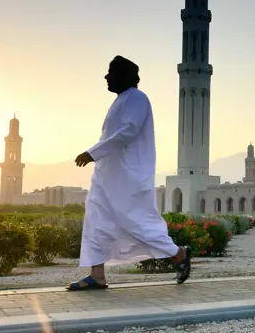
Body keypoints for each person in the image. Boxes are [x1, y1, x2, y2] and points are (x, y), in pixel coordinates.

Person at [68, 56, 191, 290]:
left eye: (111, 72)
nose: (106, 77)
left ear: (125, 76)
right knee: (97, 221)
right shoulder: (121, 101)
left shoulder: (137, 98)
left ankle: (179, 254)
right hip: (106, 178)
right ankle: (97, 275)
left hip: (127, 178)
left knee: (136, 222)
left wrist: (93, 152)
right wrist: (97, 156)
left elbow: (129, 131)